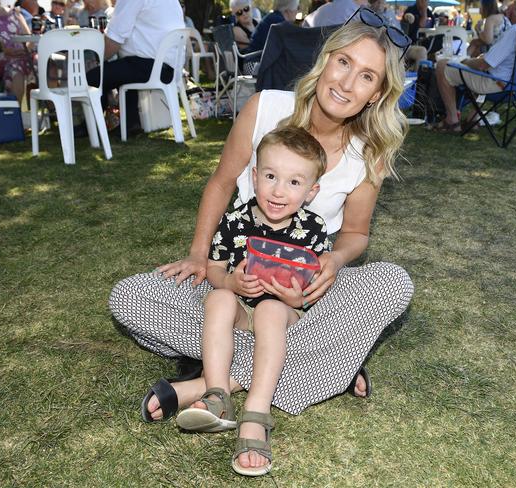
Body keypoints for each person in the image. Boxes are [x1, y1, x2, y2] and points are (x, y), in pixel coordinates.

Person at [113, 11, 414, 465]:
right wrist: (201, 257)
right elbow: (220, 183)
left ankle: (213, 383)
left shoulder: (366, 154)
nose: (348, 82)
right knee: (130, 297)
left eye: (367, 76)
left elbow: (354, 234)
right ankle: (326, 361)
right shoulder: (265, 107)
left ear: (377, 95)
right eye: (344, 63)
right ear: (326, 61)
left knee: (393, 284)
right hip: (234, 285)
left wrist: (332, 262)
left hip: (303, 295)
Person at [175, 127, 331, 477]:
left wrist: (298, 296)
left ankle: (256, 412)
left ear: (311, 191)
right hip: (245, 310)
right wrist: (230, 282)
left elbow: (317, 283)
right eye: (271, 177)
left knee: (271, 309)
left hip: (288, 314)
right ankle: (218, 395)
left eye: (294, 182)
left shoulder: (314, 229)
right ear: (255, 176)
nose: (278, 191)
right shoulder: (235, 221)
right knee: (217, 299)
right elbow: (214, 267)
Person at [433, 0, 516, 132]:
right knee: (478, 68)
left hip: (500, 86)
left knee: (443, 65)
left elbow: (484, 65)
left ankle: (452, 120)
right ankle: (473, 118)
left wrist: (465, 61)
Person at [86, 0, 184, 133]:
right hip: (169, 66)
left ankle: (91, 127)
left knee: (92, 77)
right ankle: (131, 122)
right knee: (123, 68)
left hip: (148, 66)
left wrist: (98, 60)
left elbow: (114, 41)